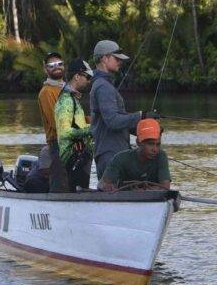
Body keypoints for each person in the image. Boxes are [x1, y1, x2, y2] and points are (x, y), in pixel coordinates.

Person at [89, 39, 160, 179]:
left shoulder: (104, 85)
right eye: (116, 58)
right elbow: (113, 121)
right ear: (104, 58)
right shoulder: (103, 87)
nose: (120, 62)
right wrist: (141, 115)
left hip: (113, 153)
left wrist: (145, 126)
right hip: (110, 154)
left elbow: (116, 121)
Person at [54, 59, 94, 192]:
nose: (89, 81)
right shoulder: (66, 100)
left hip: (80, 158)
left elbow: (76, 124)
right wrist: (91, 130)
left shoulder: (74, 99)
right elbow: (64, 132)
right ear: (77, 76)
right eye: (87, 77)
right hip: (72, 160)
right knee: (77, 194)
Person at [99, 118, 171, 191]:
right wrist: (106, 186)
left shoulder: (161, 156)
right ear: (138, 142)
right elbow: (102, 183)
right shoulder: (120, 158)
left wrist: (141, 191)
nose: (155, 149)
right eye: (150, 144)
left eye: (158, 144)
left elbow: (165, 187)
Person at [37, 51, 68, 191]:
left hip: (72, 142)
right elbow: (57, 123)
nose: (56, 67)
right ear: (45, 69)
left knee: (72, 181)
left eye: (59, 64)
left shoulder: (66, 89)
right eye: (51, 65)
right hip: (58, 144)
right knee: (60, 184)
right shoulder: (47, 92)